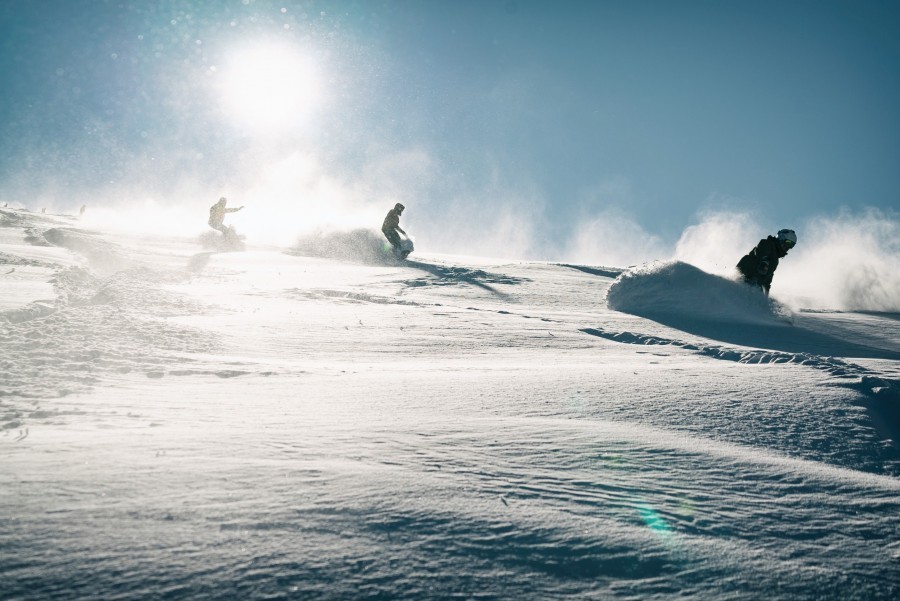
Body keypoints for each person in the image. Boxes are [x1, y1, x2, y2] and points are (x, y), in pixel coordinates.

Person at [737, 228, 797, 295]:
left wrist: (766, 291)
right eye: (788, 243)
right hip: (746, 274)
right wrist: (764, 260)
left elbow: (769, 275)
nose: (788, 247)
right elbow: (763, 250)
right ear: (781, 238)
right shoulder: (767, 243)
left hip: (755, 283)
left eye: (792, 245)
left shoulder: (775, 260)